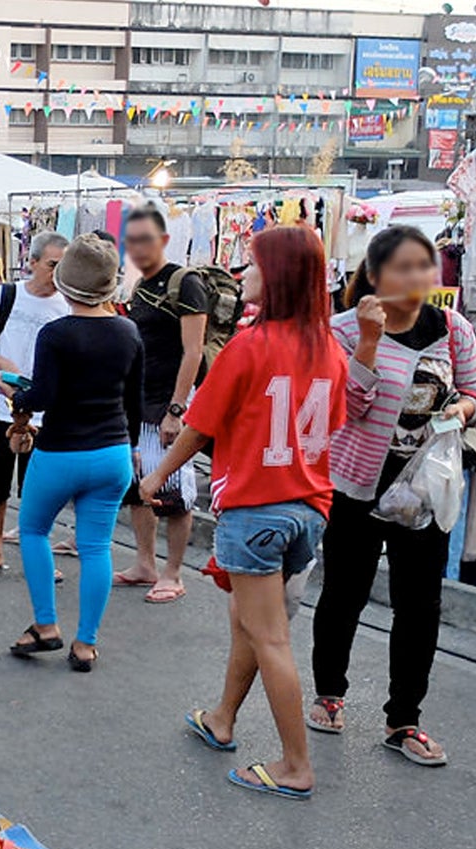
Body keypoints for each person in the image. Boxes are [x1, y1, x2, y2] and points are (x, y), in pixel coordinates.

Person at [143, 226, 346, 798]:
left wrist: (157, 474)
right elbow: (332, 424)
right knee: (250, 627)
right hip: (308, 509)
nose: (243, 275)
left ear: (275, 278)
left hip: (256, 511)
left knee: (269, 637)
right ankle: (221, 718)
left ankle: (295, 766)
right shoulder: (330, 348)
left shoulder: (249, 346)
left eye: (252, 266)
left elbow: (198, 428)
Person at [312, 225, 476, 769]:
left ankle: (403, 718)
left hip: (425, 491)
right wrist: (368, 340)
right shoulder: (342, 331)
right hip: (358, 484)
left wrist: (462, 410)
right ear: (374, 275)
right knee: (344, 592)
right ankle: (329, 693)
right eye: (402, 268)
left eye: (423, 267)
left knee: (420, 605)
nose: (416, 278)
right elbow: (350, 409)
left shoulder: (452, 329)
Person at [6, 235, 141, 671]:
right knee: (97, 546)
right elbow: (135, 404)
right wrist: (130, 448)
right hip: (112, 452)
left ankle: (46, 624)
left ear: (64, 285)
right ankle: (85, 644)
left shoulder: (56, 333)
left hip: (61, 451)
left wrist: (16, 394)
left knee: (33, 530)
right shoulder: (128, 331)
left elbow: (41, 396)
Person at [0, 232, 71, 578]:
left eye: (63, 266)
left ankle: (36, 556)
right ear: (33, 262)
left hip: (45, 409)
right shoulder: (6, 294)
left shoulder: (69, 303)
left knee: (39, 486)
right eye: (53, 264)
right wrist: (4, 366)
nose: (57, 272)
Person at [118, 206, 210, 604]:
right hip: (138, 398)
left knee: (174, 491)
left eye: (145, 239)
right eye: (131, 240)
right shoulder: (140, 286)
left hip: (169, 400)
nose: (137, 248)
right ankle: (145, 563)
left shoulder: (184, 283)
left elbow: (193, 351)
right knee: (138, 485)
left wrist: (177, 409)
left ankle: (173, 571)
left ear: (164, 241)